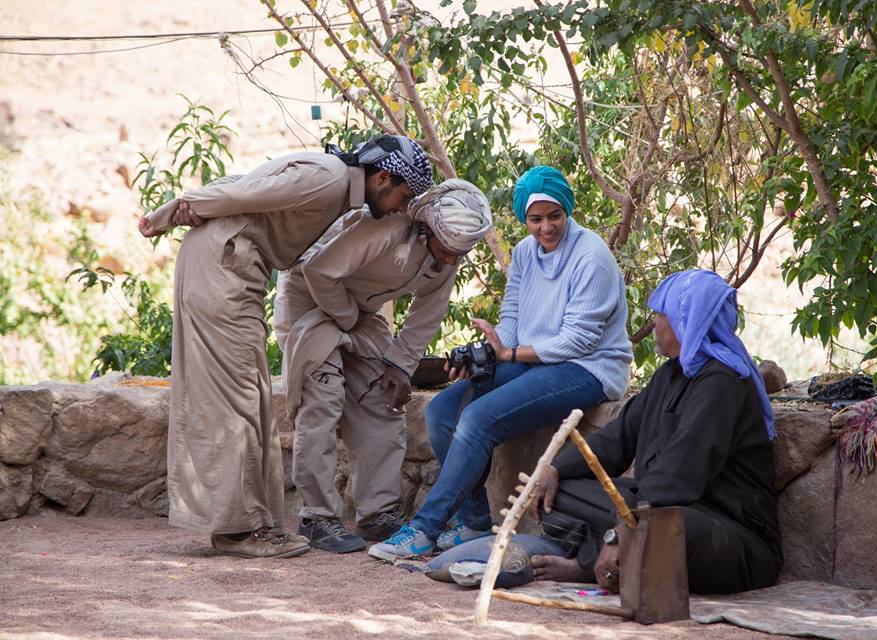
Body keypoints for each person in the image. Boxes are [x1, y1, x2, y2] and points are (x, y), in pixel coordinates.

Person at [137, 135, 432, 559]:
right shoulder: (330, 178)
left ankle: (250, 525)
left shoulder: (335, 187)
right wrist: (176, 209)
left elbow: (252, 184)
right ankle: (238, 532)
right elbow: (245, 192)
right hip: (224, 267)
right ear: (382, 177)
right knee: (236, 398)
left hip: (234, 270)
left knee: (250, 395)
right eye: (403, 196)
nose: (403, 209)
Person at [424, 269, 782, 595]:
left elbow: (680, 477)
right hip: (659, 510)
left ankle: (592, 560)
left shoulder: (723, 382)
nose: (655, 324)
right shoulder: (671, 374)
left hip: (728, 535)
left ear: (689, 322)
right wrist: (555, 470)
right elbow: (616, 441)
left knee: (665, 527)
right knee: (553, 494)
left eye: (662, 316)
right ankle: (606, 557)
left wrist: (619, 531)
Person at [368, 165, 633, 562]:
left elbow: (578, 340)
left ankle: (425, 529)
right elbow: (511, 322)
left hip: (588, 368)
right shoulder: (526, 253)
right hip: (536, 360)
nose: (546, 228)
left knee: (478, 418)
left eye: (554, 216)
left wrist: (508, 355)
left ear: (568, 210)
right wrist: (486, 353)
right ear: (524, 219)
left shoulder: (591, 257)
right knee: (443, 410)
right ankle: (474, 521)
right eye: (536, 219)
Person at [274, 179, 492, 553]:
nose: (455, 259)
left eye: (463, 252)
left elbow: (425, 317)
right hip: (310, 301)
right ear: (429, 227)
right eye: (451, 248)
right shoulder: (387, 226)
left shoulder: (447, 255)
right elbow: (319, 272)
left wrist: (399, 367)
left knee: (382, 399)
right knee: (323, 397)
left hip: (357, 311)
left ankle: (377, 513)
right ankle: (318, 517)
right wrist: (346, 319)